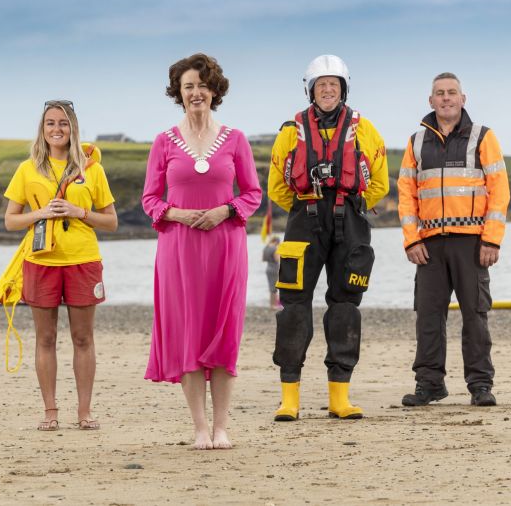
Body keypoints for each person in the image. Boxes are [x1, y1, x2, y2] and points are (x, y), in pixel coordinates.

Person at [141, 53, 262, 449]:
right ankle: (199, 428)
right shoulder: (163, 142)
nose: (196, 92)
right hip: (179, 249)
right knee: (188, 333)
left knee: (223, 331)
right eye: (188, 85)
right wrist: (175, 212)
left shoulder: (236, 139)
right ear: (179, 91)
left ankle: (222, 426)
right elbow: (150, 200)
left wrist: (224, 211)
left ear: (215, 91)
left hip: (226, 246)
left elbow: (252, 194)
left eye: (202, 85)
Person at [266, 55, 389, 421]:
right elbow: (277, 186)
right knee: (293, 307)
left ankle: (340, 397)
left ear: (344, 88)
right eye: (321, 85)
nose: (328, 90)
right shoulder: (291, 132)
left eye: (334, 84)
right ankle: (290, 397)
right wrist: (309, 205)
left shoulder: (365, 130)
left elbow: (379, 181)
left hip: (349, 220)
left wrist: (350, 204)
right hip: (304, 220)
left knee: (346, 306)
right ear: (310, 90)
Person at [397, 72, 510, 407]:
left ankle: (480, 385)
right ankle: (429, 385)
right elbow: (406, 195)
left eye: (451, 93)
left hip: (472, 242)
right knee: (428, 316)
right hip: (428, 245)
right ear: (430, 101)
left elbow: (499, 192)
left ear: (463, 99)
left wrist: (492, 240)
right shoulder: (417, 141)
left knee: (475, 314)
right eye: (439, 93)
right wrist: (411, 240)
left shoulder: (482, 137)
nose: (445, 98)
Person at [4, 100, 117, 431]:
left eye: (63, 124)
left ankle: (84, 412)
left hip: (82, 260)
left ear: (73, 128)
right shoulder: (28, 169)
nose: (57, 129)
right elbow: (10, 221)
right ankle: (50, 412)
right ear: (42, 129)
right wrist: (40, 213)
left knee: (83, 338)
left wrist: (77, 211)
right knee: (46, 338)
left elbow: (111, 222)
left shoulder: (91, 169)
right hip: (41, 261)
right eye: (50, 123)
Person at [263, 235, 281, 309]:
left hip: (268, 268)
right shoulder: (275, 248)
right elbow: (277, 259)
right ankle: (274, 305)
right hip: (274, 268)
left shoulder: (266, 248)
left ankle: (272, 304)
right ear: (276, 242)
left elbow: (263, 259)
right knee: (274, 287)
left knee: (271, 287)